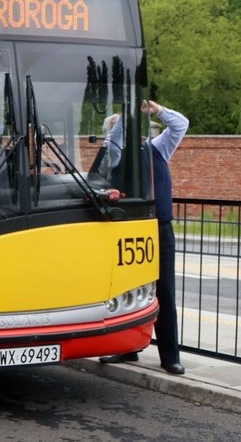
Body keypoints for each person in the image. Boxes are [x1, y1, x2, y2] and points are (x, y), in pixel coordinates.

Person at [100, 100, 189, 374]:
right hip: (130, 229)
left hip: (159, 227)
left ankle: (170, 355)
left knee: (165, 291)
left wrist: (158, 110)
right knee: (129, 290)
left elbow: (181, 124)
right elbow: (114, 141)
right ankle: (127, 348)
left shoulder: (158, 148)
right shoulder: (114, 155)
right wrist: (125, 116)